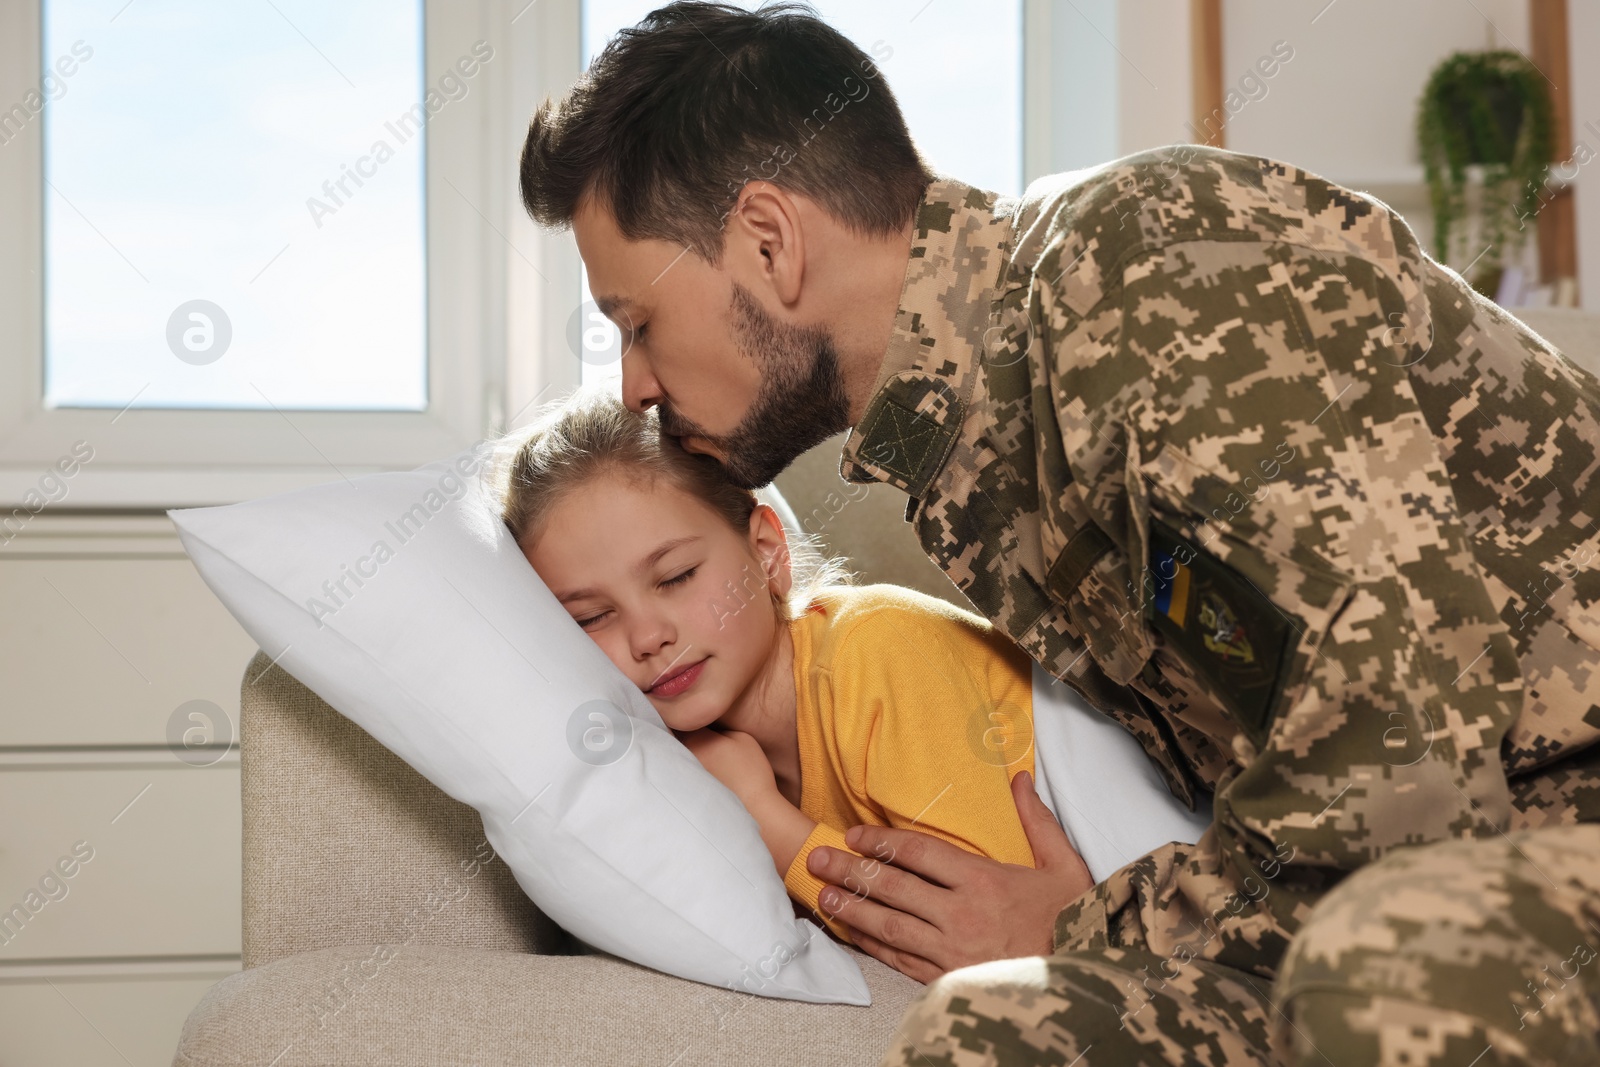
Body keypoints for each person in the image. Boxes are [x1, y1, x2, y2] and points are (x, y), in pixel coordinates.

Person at [515, 3, 1600, 1063]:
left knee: (1378, 977)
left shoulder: (1138, 267)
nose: (635, 385)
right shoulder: (966, 449)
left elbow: (1400, 753)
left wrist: (1089, 931)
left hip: (1533, 836)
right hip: (1436, 880)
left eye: (636, 322)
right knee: (983, 1031)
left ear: (767, 240)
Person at [495, 385, 1099, 948]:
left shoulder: (876, 648)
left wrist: (767, 823)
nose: (649, 637)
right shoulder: (678, 761)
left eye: (676, 577)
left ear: (765, 552)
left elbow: (987, 928)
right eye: (592, 617)